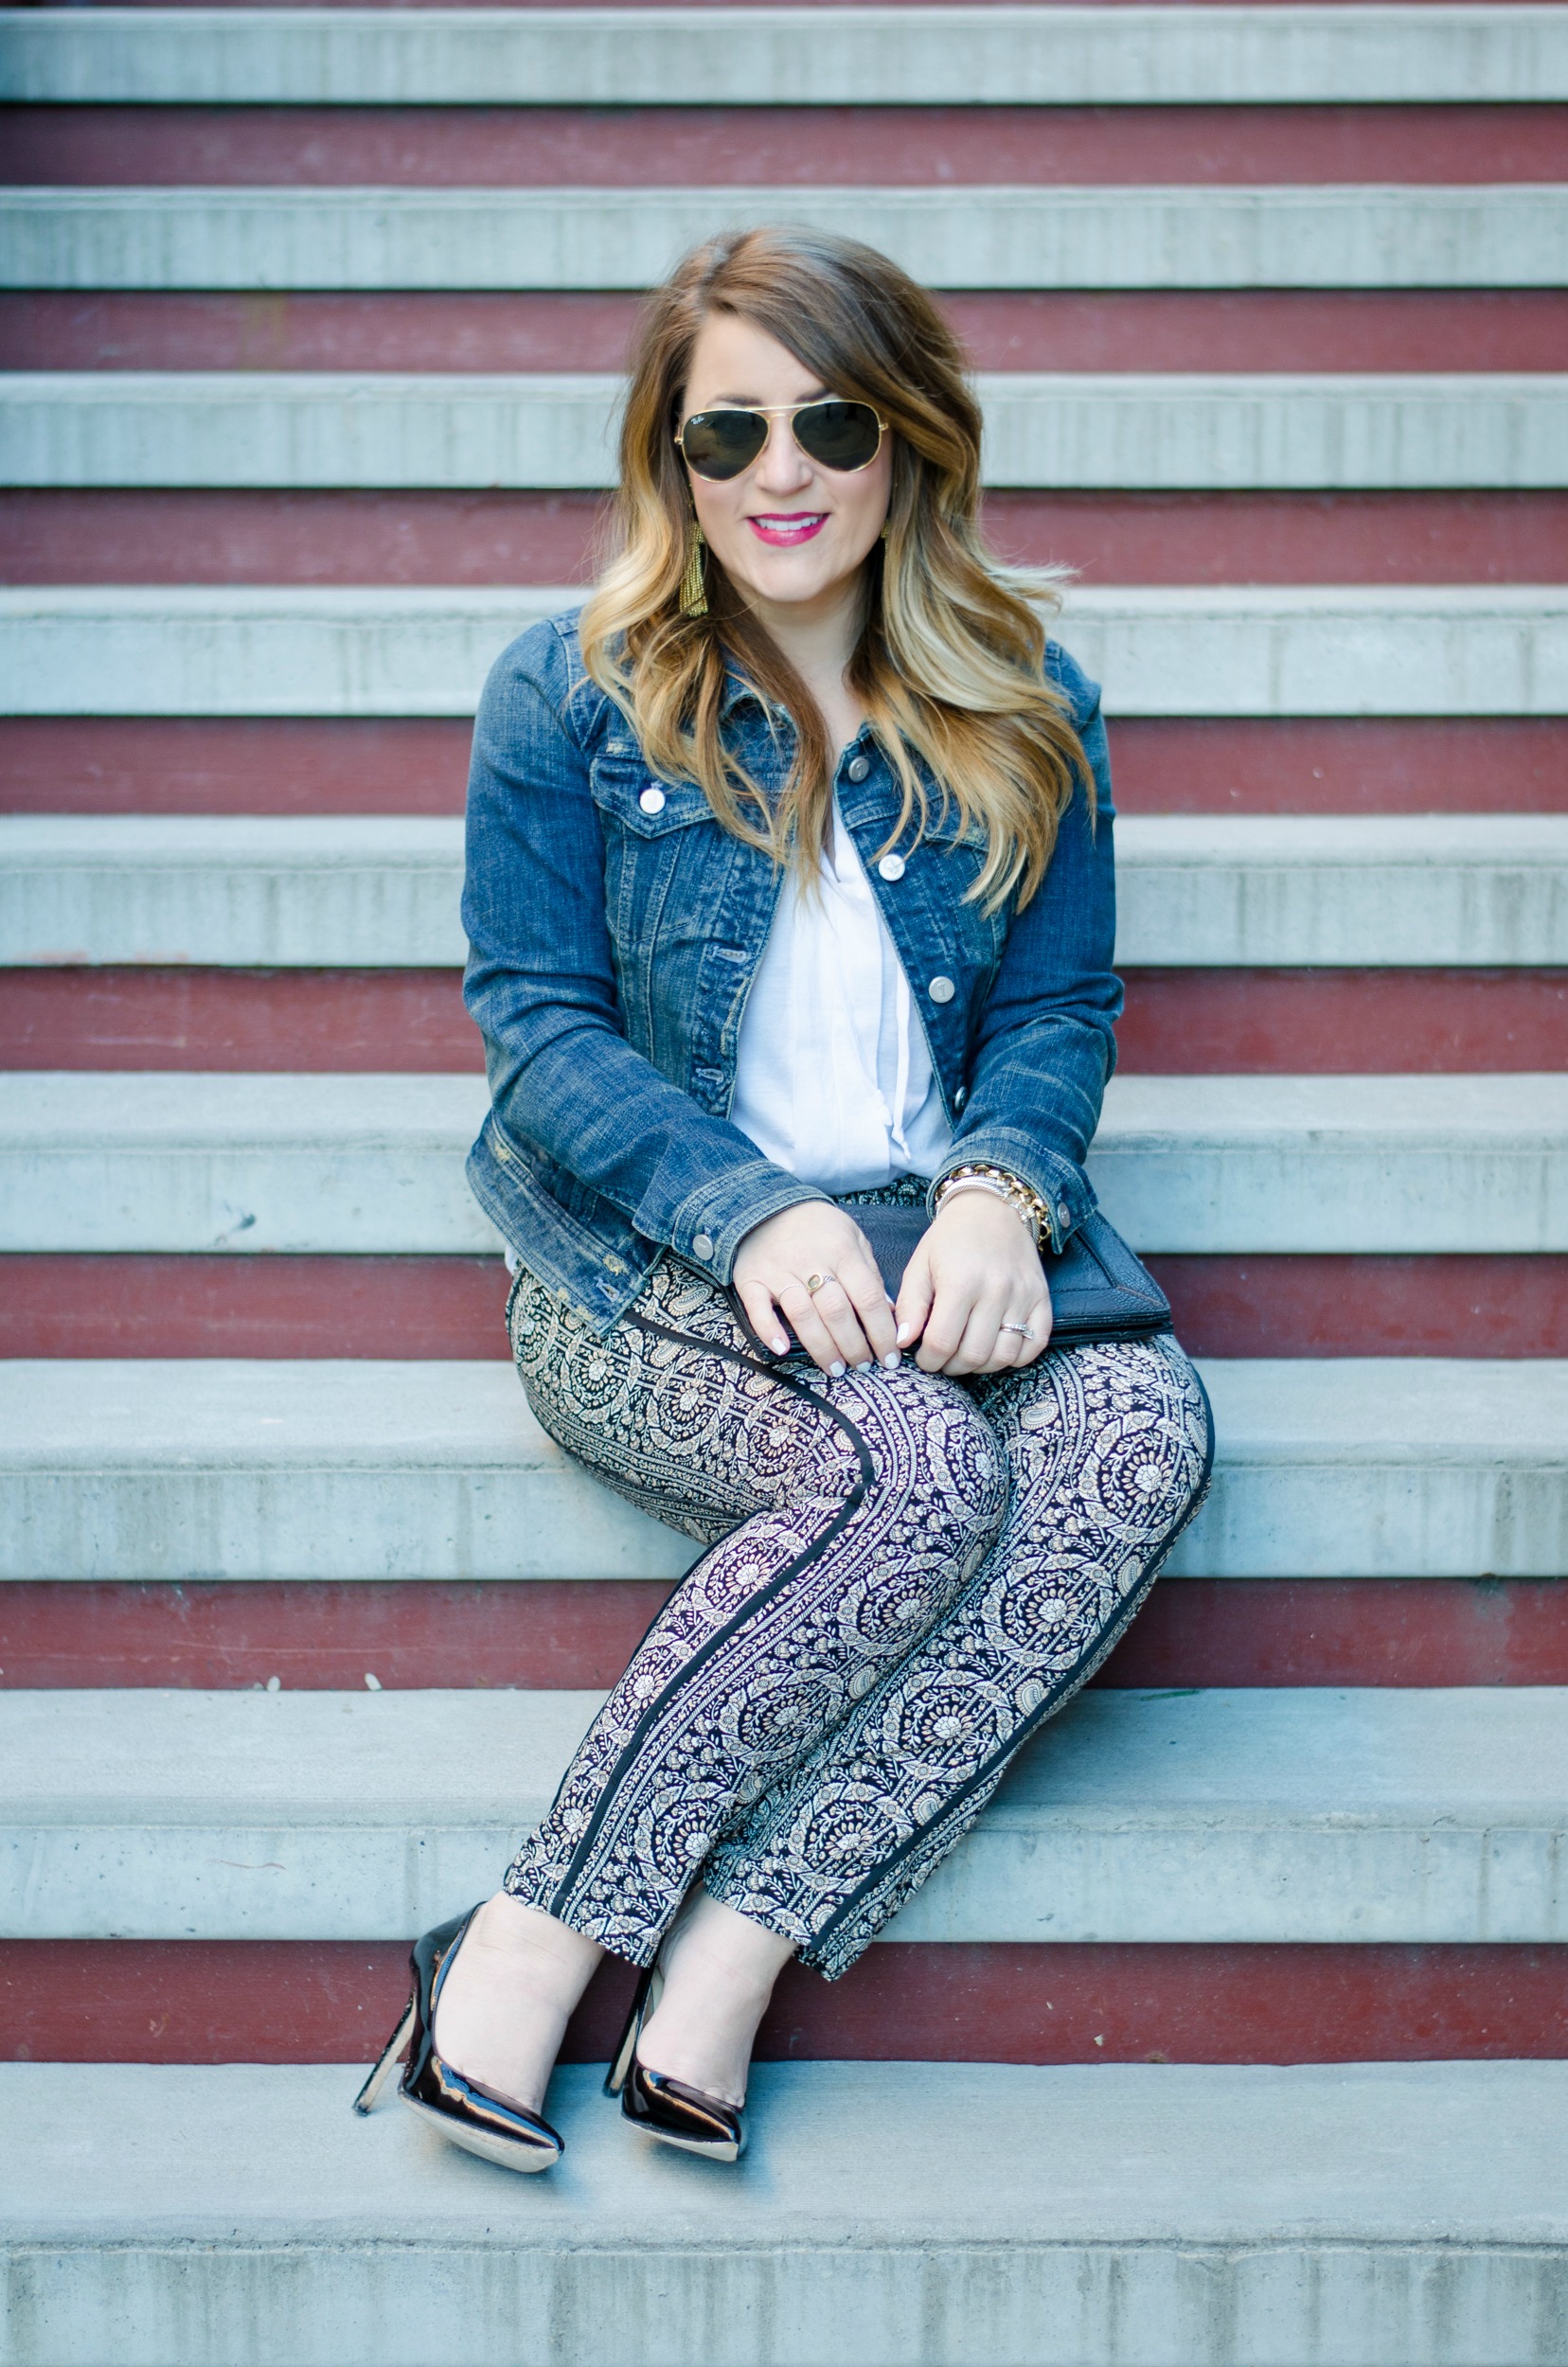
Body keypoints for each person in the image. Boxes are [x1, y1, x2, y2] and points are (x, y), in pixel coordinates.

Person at [354, 224, 1213, 2174]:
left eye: (829, 420)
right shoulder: (567, 697)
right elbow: (541, 1030)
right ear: (666, 456)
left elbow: (1063, 1001)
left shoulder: (1028, 696)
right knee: (911, 1475)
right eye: (722, 432)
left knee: (1139, 1431)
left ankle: (734, 1949)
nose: (780, 473)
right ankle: (531, 1934)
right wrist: (746, 1210)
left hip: (936, 1234)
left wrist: (1003, 1186)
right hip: (642, 1257)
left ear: (905, 438)